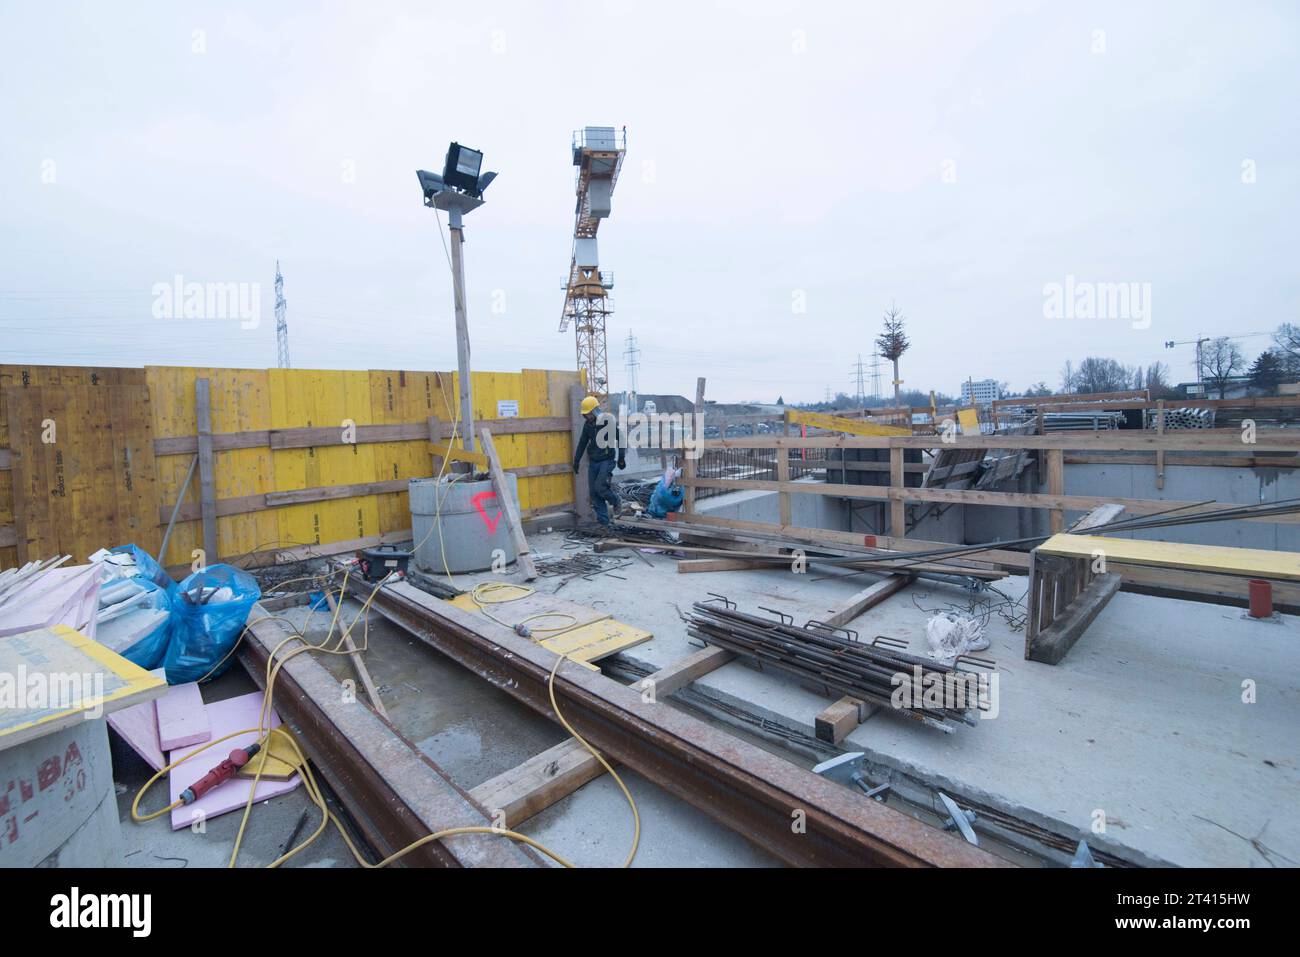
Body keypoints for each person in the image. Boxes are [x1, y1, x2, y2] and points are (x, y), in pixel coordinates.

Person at [572, 395, 625, 525]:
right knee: (594, 493)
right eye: (585, 415)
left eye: (588, 414)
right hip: (594, 462)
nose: (586, 417)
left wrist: (621, 458)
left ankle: (616, 500)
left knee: (600, 487)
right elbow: (582, 442)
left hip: (607, 460)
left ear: (595, 411)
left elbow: (621, 438)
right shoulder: (588, 425)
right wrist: (576, 460)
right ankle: (604, 524)